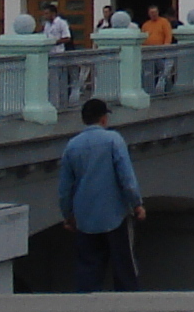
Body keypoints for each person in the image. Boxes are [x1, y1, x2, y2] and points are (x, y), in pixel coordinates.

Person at [57, 96, 145, 292]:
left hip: (85, 217)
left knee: (88, 268)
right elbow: (126, 178)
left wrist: (68, 215)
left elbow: (64, 188)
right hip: (115, 215)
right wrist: (136, 204)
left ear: (84, 119)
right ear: (104, 119)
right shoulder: (114, 140)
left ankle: (87, 307)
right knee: (124, 266)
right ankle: (127, 306)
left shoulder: (72, 146)